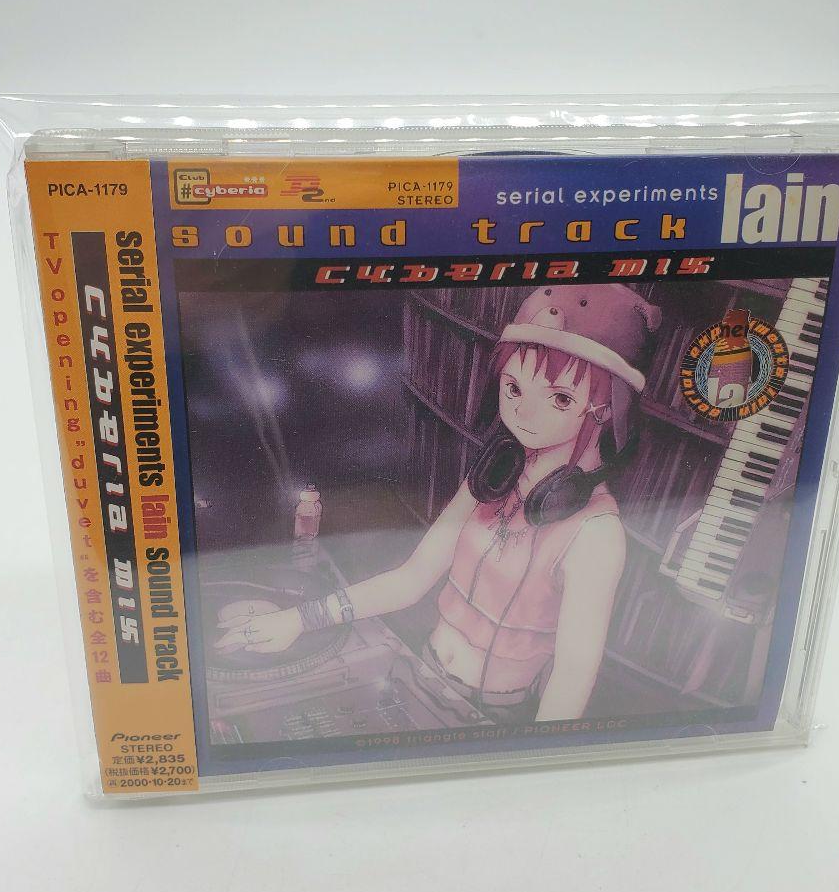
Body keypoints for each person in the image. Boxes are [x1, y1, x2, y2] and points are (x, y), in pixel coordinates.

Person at [216, 284, 661, 723]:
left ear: (608, 409)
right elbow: (412, 579)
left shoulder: (596, 534)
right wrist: (298, 620)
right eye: (513, 388)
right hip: (420, 673)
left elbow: (573, 675)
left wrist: (534, 757)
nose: (524, 412)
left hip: (493, 714)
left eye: (561, 398)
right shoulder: (493, 477)